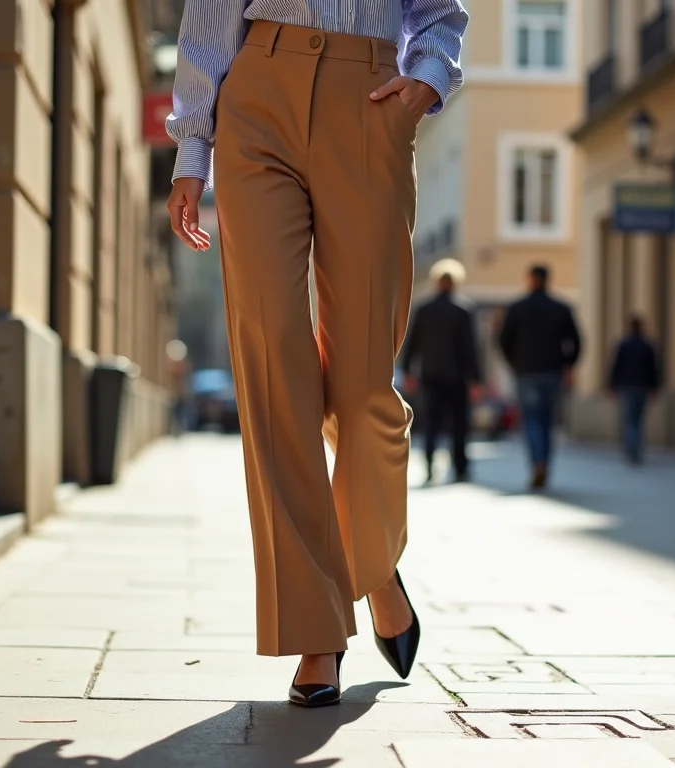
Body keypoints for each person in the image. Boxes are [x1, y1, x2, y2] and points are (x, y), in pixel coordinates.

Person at [165, 1, 470, 707]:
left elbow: (440, 12)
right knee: (273, 363)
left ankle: (371, 567)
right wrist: (191, 153)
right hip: (255, 97)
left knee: (363, 388)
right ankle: (316, 633)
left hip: (368, 98)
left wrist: (426, 78)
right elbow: (210, 20)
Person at [499, 265, 581, 490]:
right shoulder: (561, 308)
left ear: (530, 279)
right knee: (547, 421)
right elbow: (576, 341)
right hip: (552, 372)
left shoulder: (517, 308)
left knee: (532, 419)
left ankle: (537, 463)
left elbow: (503, 340)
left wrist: (514, 363)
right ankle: (544, 463)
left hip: (526, 371)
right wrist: (568, 365)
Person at [402, 259, 482, 484]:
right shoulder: (463, 310)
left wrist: (408, 371)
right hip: (457, 377)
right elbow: (470, 347)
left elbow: (412, 343)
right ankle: (460, 468)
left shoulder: (424, 309)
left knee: (431, 422)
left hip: (430, 374)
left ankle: (429, 466)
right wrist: (475, 379)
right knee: (459, 424)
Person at [608, 316, 660, 464]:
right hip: (643, 386)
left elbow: (616, 367)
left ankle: (631, 449)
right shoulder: (648, 346)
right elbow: (654, 369)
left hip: (627, 387)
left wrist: (612, 386)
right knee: (638, 419)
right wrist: (655, 387)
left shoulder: (623, 345)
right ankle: (636, 449)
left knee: (629, 419)